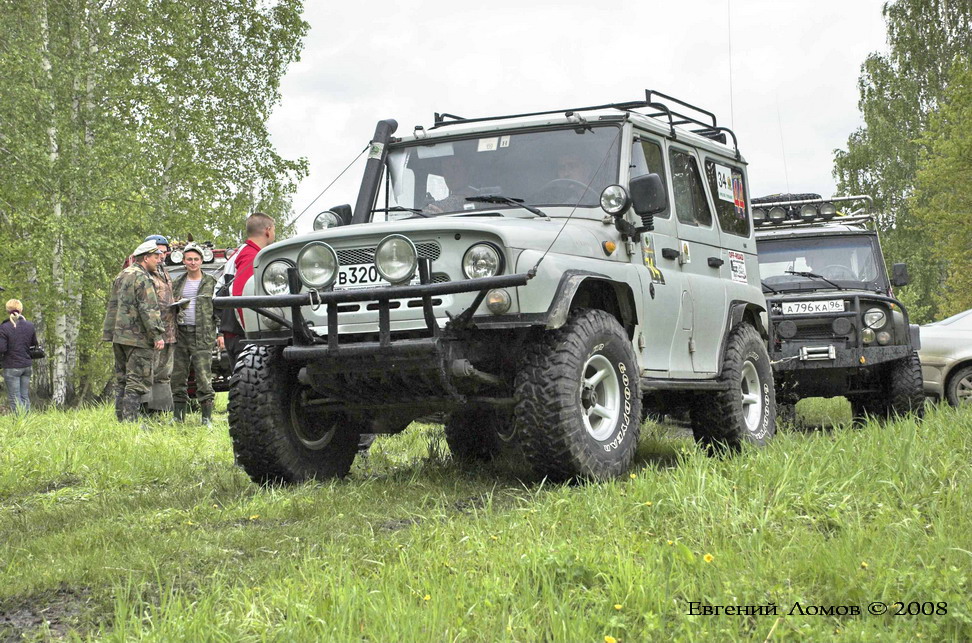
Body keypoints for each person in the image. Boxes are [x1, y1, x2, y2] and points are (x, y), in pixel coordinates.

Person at [103, 240, 165, 422]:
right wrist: (157, 335)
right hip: (138, 337)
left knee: (122, 379)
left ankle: (120, 420)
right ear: (145, 258)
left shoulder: (122, 275)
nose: (159, 260)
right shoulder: (143, 278)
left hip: (119, 335)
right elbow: (149, 309)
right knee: (136, 381)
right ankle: (130, 422)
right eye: (155, 257)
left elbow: (113, 306)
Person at [170, 243, 224, 426]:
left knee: (203, 376)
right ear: (184, 262)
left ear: (201, 261)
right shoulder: (176, 283)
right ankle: (178, 417)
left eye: (196, 259)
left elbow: (219, 309)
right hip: (180, 333)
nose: (192, 263)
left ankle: (206, 418)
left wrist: (221, 333)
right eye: (189, 259)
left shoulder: (211, 282)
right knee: (178, 376)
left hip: (203, 334)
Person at [222, 212, 275, 366]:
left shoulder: (239, 253)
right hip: (242, 335)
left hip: (232, 331)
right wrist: (251, 334)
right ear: (267, 230)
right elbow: (240, 295)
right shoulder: (252, 256)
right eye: (274, 230)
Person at [143, 234, 177, 413]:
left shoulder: (165, 271)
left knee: (165, 373)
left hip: (169, 330)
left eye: (164, 252)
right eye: (158, 253)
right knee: (149, 372)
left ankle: (162, 412)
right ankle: (145, 411)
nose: (162, 256)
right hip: (153, 332)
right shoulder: (144, 273)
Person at [0, 299, 40, 413]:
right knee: (24, 396)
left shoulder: (4, 327)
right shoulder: (30, 325)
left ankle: (19, 424)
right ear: (21, 309)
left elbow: (2, 348)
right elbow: (34, 344)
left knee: (14, 398)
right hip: (26, 365)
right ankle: (27, 422)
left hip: (11, 366)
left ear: (7, 310)